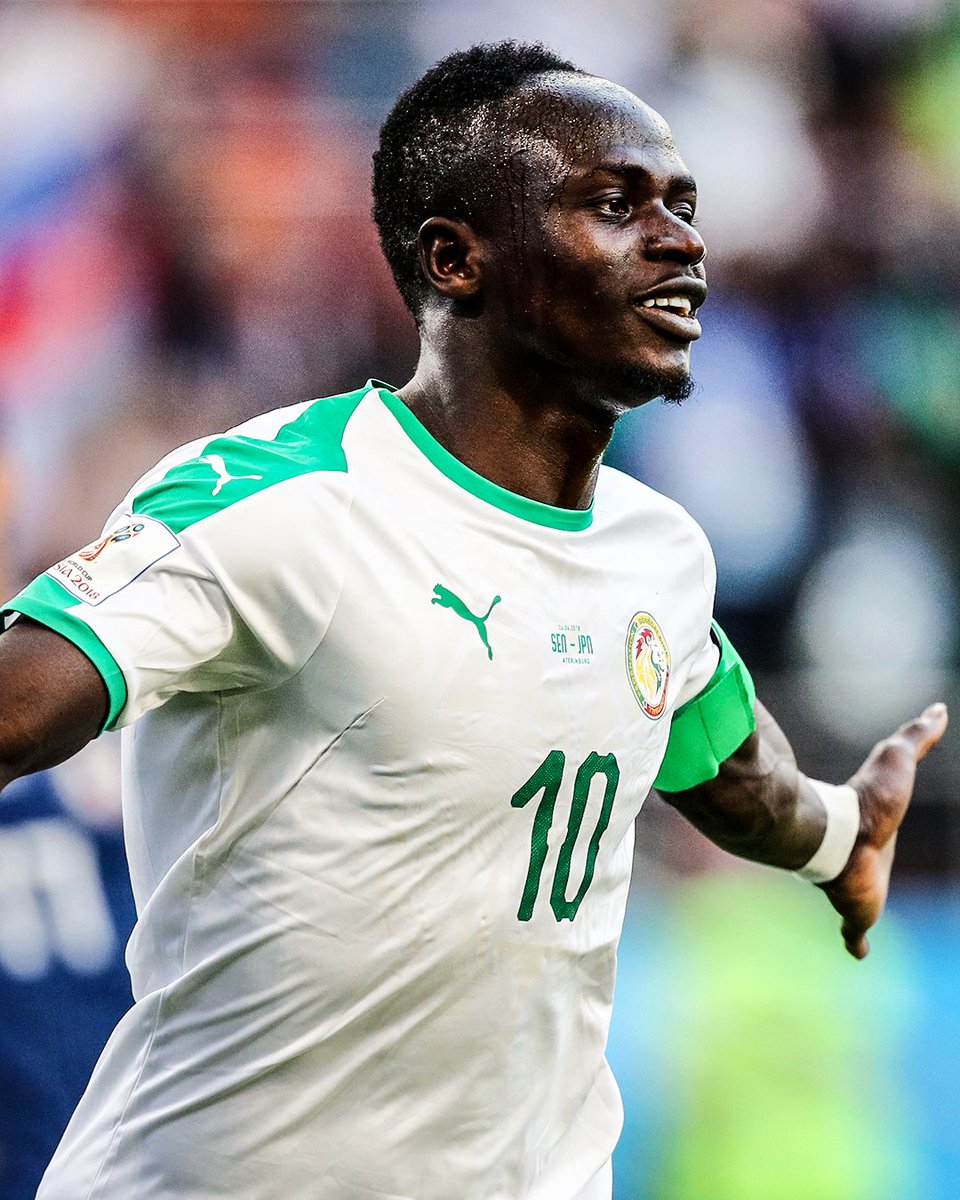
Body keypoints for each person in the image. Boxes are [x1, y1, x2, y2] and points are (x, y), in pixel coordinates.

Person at [0, 40, 947, 1200]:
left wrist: (843, 837)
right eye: (617, 205)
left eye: (684, 208)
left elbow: (729, 767)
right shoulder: (284, 502)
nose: (681, 243)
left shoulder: (660, 554)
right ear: (456, 259)